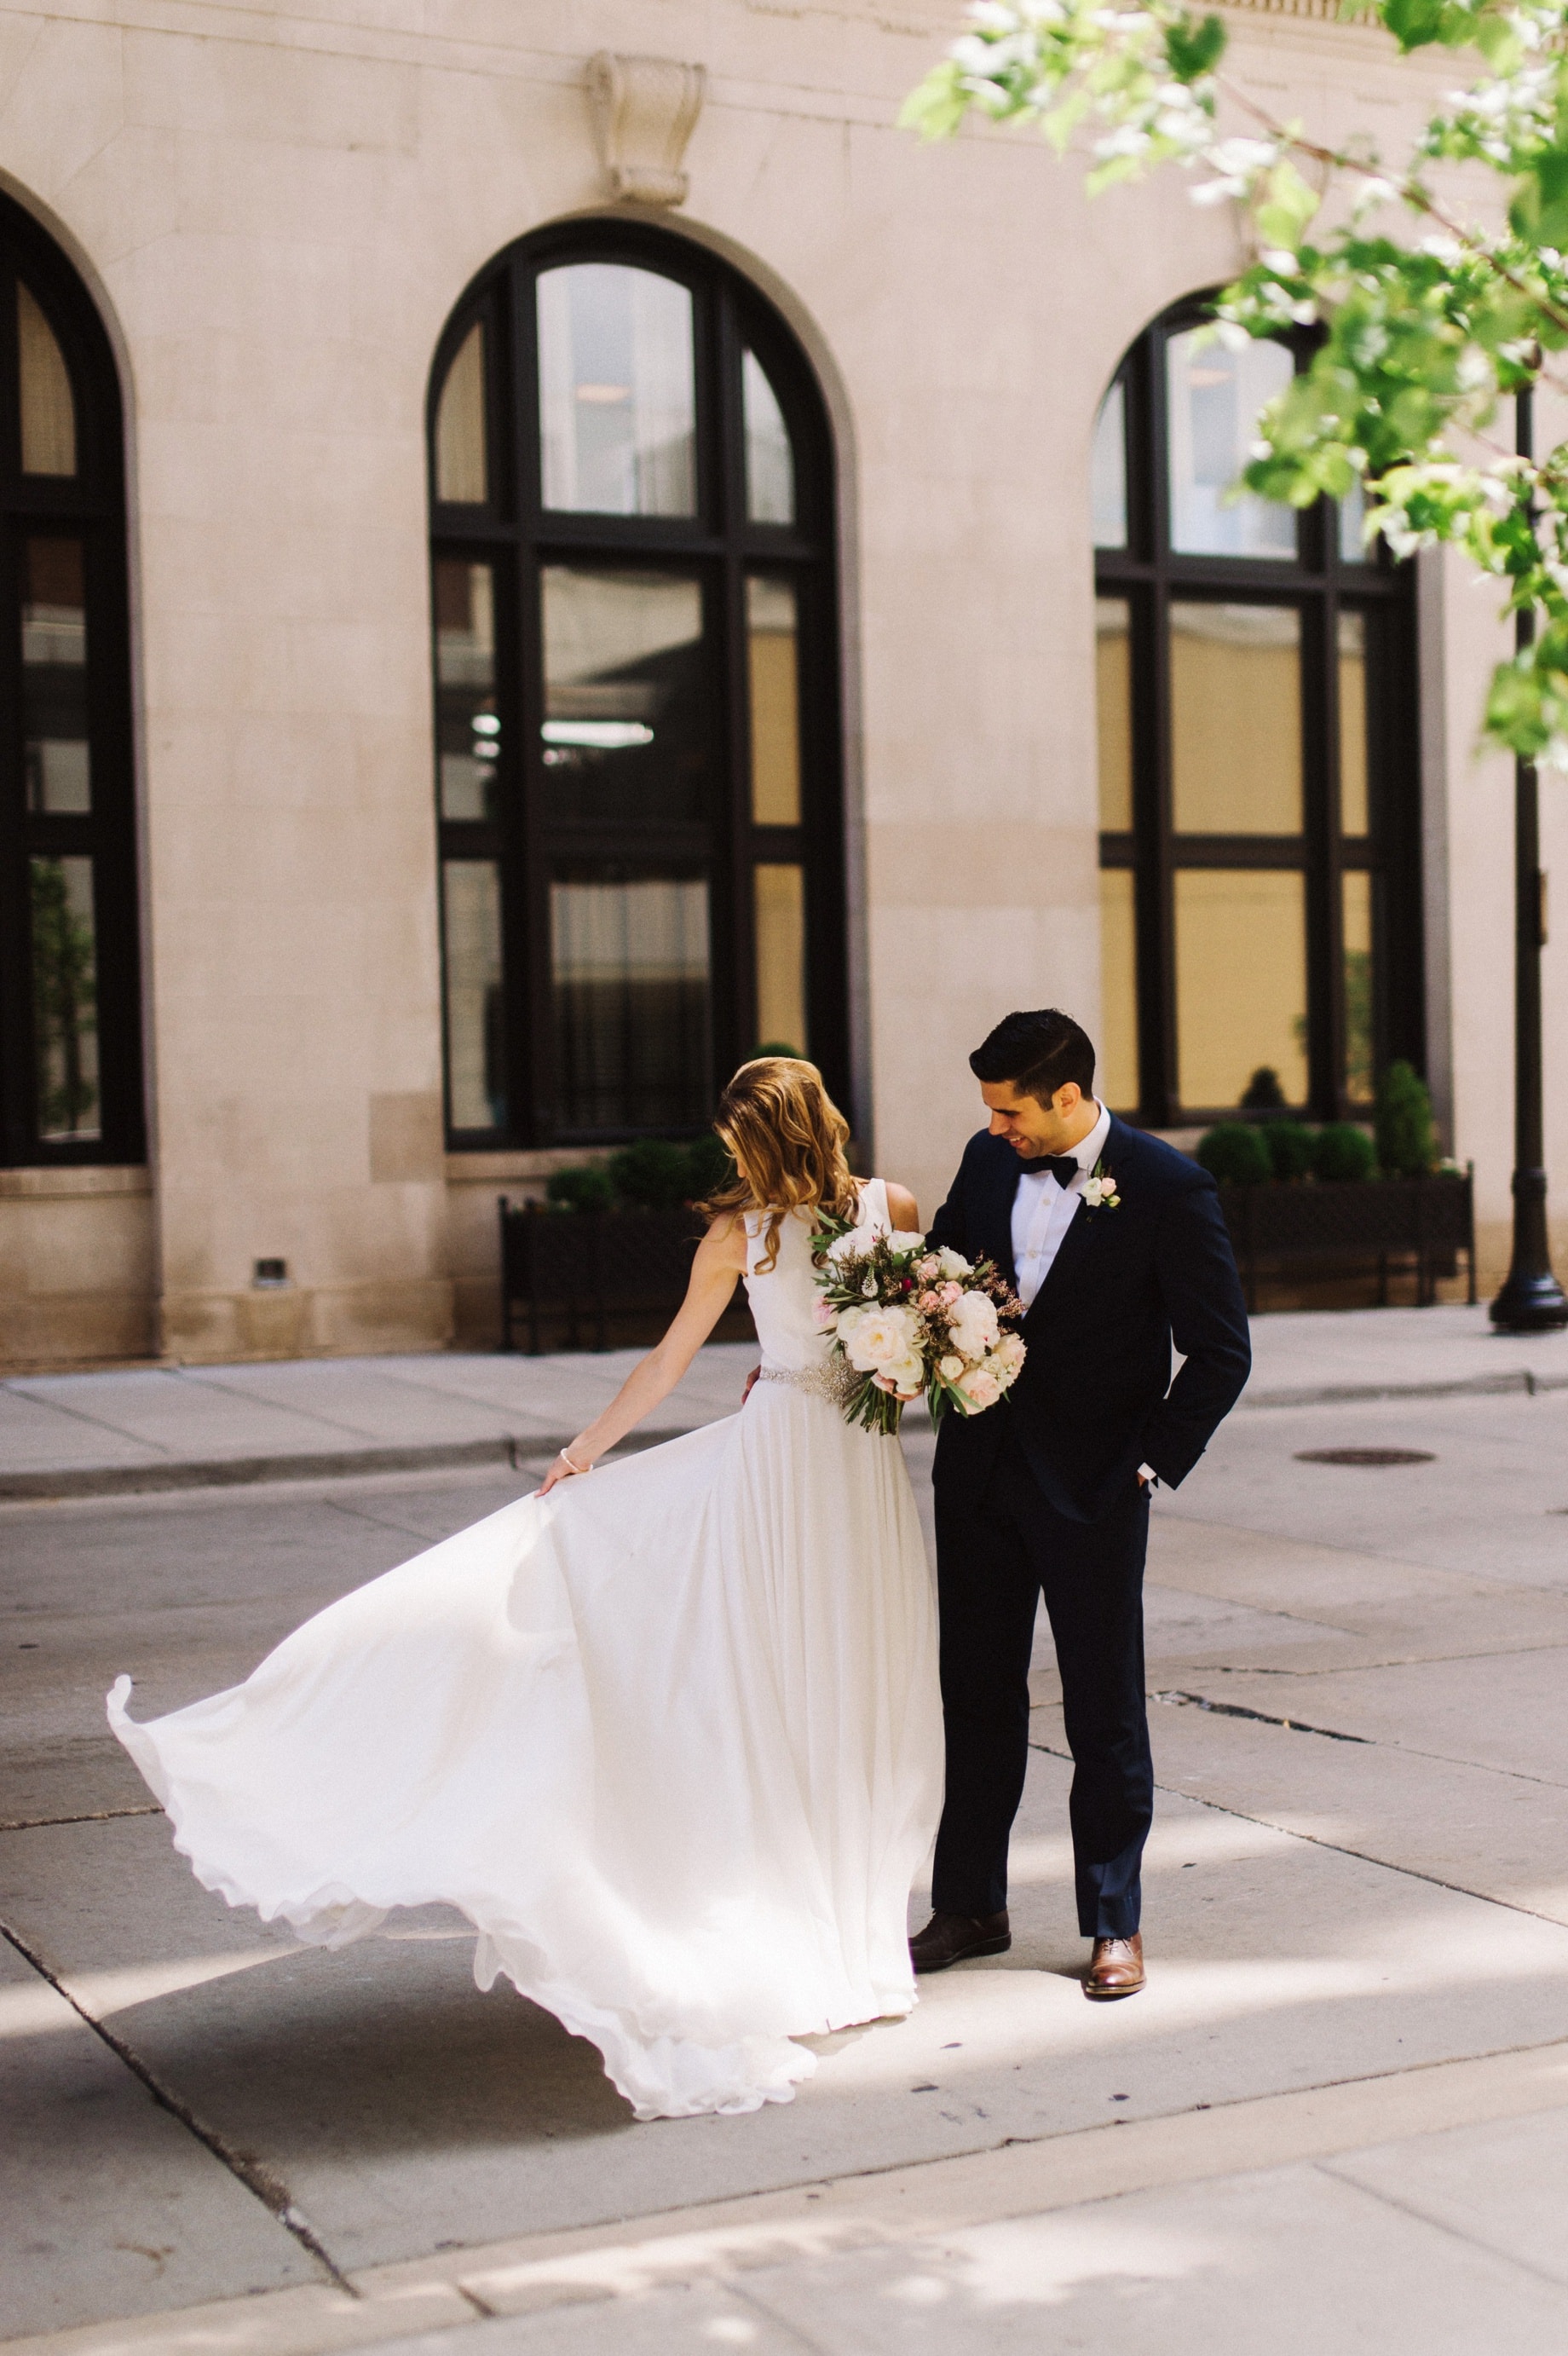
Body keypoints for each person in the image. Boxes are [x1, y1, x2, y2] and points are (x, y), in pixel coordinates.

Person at [109, 1059, 943, 2122]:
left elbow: (882, 1341)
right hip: (787, 1463)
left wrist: (920, 1359)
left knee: (856, 1685)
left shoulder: (865, 1214)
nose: (727, 1159)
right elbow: (669, 1359)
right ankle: (838, 1951)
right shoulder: (765, 1229)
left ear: (769, 1137)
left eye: (736, 1142)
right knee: (793, 1685)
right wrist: (585, 1453)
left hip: (846, 1464)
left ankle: (862, 1951)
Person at [911, 1009, 1251, 1997]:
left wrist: (1149, 1462)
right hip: (976, 1476)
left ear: (1067, 1096)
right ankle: (968, 1905)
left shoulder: (1166, 1186)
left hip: (1097, 1486)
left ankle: (1113, 1922)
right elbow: (942, 1265)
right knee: (973, 1697)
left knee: (1103, 1711)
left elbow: (1221, 1351)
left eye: (1011, 1110)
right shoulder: (985, 1162)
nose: (995, 1127)